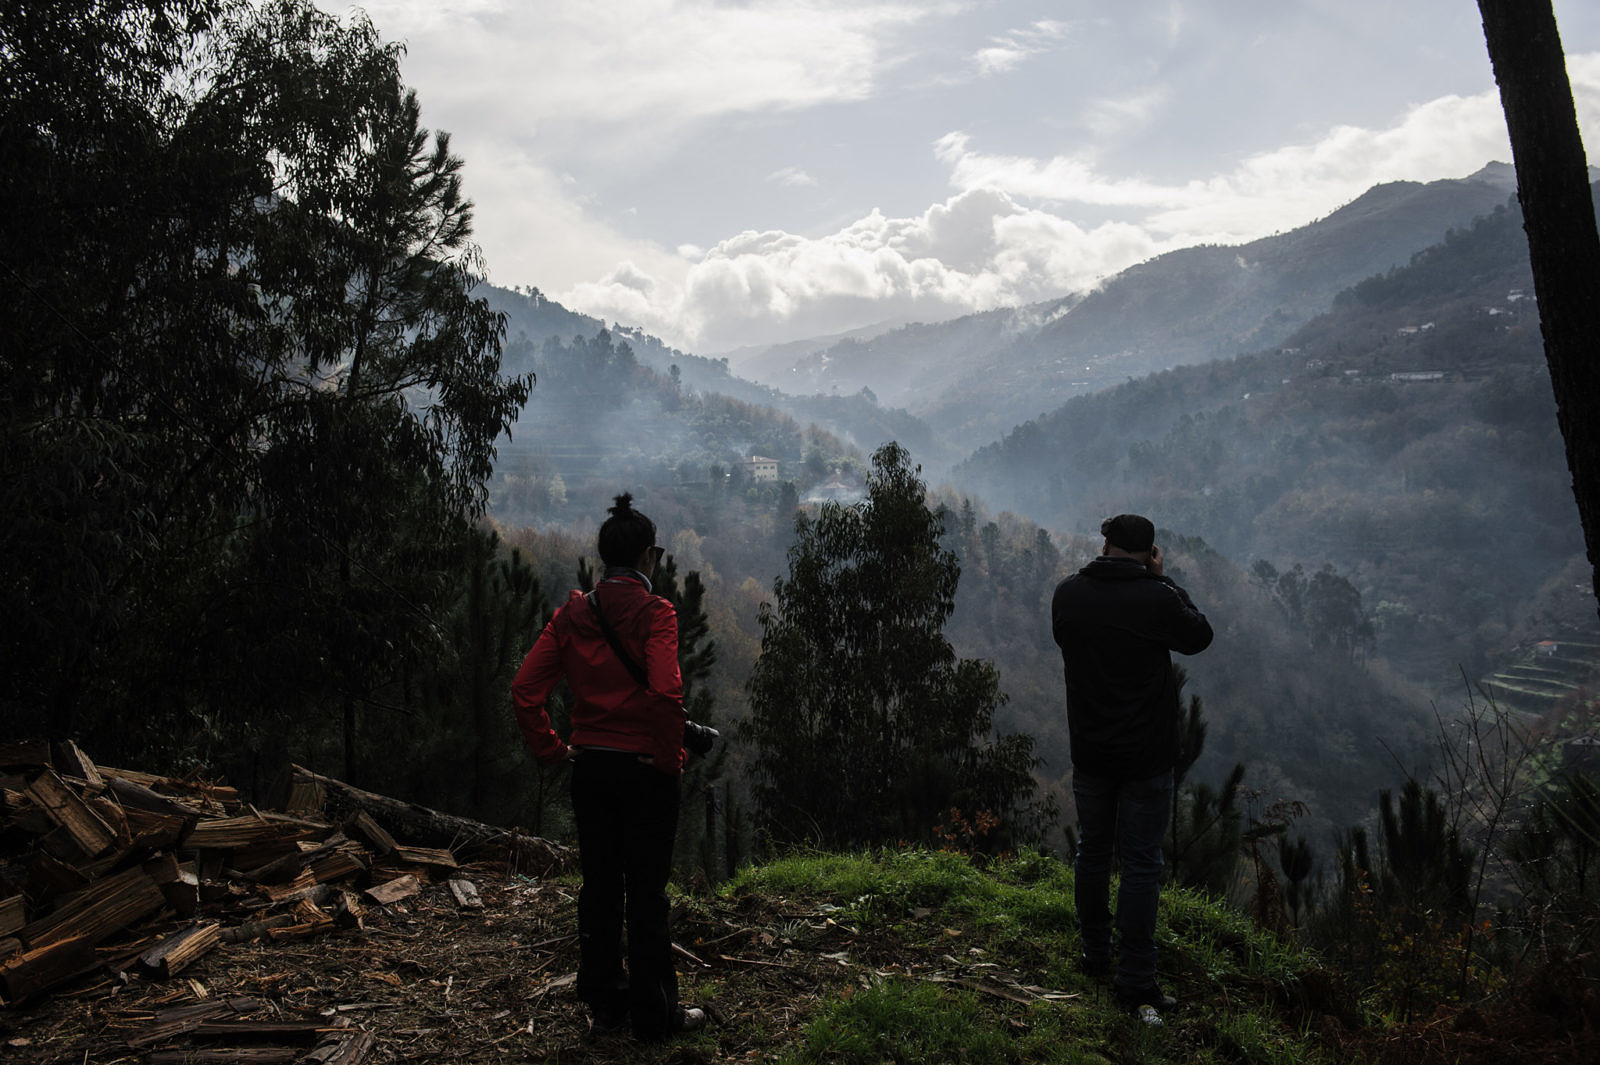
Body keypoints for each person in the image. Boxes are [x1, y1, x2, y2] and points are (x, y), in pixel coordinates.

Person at [512, 494, 708, 1041]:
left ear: (604, 559)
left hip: (591, 771)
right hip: (645, 772)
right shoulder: (657, 613)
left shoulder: (572, 615)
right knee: (647, 894)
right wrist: (669, 761)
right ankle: (657, 1017)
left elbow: (525, 691)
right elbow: (668, 695)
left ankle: (605, 1007)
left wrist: (553, 750)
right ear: (648, 557)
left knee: (599, 889)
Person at [1051, 514, 1214, 1018]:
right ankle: (1136, 979)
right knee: (1142, 863)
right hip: (1146, 755)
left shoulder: (1068, 594)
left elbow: (1069, 644)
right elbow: (1199, 636)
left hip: (1092, 749)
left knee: (1093, 852)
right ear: (1148, 552)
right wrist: (1162, 579)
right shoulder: (1157, 598)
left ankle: (1094, 952)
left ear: (1105, 544)